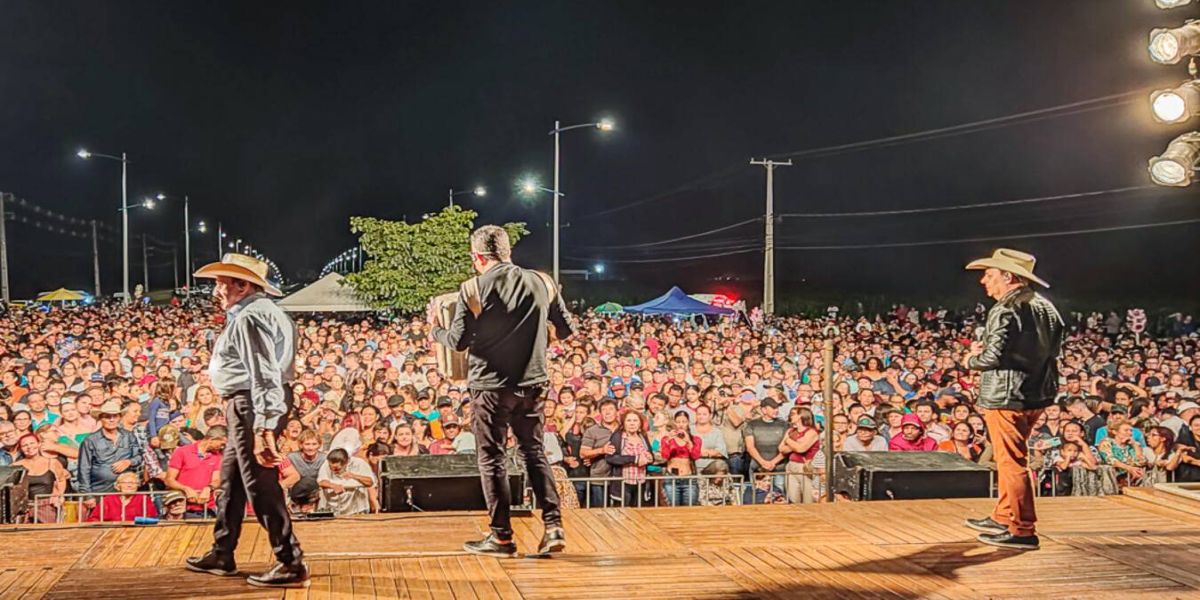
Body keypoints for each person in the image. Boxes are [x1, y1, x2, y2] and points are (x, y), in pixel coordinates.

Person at [430, 225, 577, 558]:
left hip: (490, 387)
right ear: (508, 252)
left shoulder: (472, 288)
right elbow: (567, 329)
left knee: (492, 457)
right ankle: (553, 526)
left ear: (477, 257)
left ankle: (502, 537)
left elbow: (458, 342)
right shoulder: (543, 282)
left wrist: (435, 329)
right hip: (533, 383)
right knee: (533, 452)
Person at [185, 253, 308, 588]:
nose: (216, 291)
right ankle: (222, 552)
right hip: (250, 403)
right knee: (232, 479)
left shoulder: (250, 317)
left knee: (259, 481)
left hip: (253, 404)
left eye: (221, 284)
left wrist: (263, 427)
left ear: (242, 286)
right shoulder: (259, 312)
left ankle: (290, 560)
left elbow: (265, 375)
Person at [962, 249, 1064, 551]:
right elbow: (1051, 350)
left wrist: (970, 359)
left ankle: (1022, 529)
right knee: (1012, 457)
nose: (983, 281)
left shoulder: (1006, 308)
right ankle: (1003, 516)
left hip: (1007, 396)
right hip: (1037, 393)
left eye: (989, 275)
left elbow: (991, 358)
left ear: (1008, 276)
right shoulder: (1047, 307)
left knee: (1011, 462)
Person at [76, 399, 142, 496]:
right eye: (107, 417)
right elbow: (84, 469)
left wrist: (129, 462)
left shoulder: (129, 436)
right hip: (100, 490)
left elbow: (139, 456)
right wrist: (87, 496)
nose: (111, 419)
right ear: (100, 418)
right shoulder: (90, 440)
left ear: (119, 417)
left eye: (115, 416)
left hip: (125, 491)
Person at [165, 426, 228, 518]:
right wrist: (186, 489)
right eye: (222, 444)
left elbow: (217, 479)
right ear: (212, 439)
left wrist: (208, 488)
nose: (222, 447)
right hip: (183, 507)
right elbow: (169, 479)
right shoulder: (182, 452)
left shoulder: (218, 457)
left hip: (207, 508)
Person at [14, 433, 70, 523]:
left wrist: (59, 494)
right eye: (25, 445)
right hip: (24, 507)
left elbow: (61, 480)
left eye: (32, 443)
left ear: (39, 444)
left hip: (47, 506)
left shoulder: (52, 462)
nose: (29, 447)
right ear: (21, 448)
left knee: (47, 531)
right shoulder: (16, 466)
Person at [316, 448, 376, 516]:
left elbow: (370, 482)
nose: (334, 471)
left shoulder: (359, 463)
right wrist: (334, 486)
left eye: (337, 469)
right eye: (331, 468)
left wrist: (353, 476)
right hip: (333, 508)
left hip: (356, 509)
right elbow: (321, 481)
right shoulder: (326, 464)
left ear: (346, 462)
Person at [86, 471, 157, 522]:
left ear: (137, 485)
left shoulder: (144, 499)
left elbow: (152, 519)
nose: (129, 485)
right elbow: (93, 519)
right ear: (118, 486)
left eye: (133, 483)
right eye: (125, 483)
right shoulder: (108, 499)